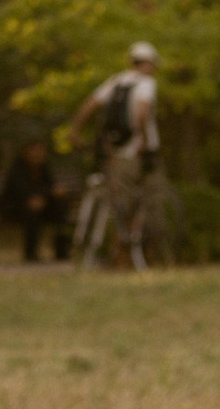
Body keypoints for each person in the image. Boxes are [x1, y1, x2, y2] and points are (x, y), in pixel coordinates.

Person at [65, 43, 162, 270]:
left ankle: (120, 258)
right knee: (148, 201)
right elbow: (142, 112)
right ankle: (141, 258)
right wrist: (143, 139)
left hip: (117, 153)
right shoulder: (146, 83)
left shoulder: (116, 81)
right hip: (141, 152)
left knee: (120, 204)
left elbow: (89, 105)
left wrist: (75, 132)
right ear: (149, 63)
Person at [0, 132, 68, 265]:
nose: (38, 154)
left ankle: (62, 251)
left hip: (41, 205)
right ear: (25, 152)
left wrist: (49, 195)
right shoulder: (17, 169)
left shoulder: (44, 167)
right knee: (32, 212)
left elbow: (50, 186)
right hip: (16, 207)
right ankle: (30, 253)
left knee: (60, 207)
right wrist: (37, 199)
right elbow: (19, 191)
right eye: (34, 150)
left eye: (41, 150)